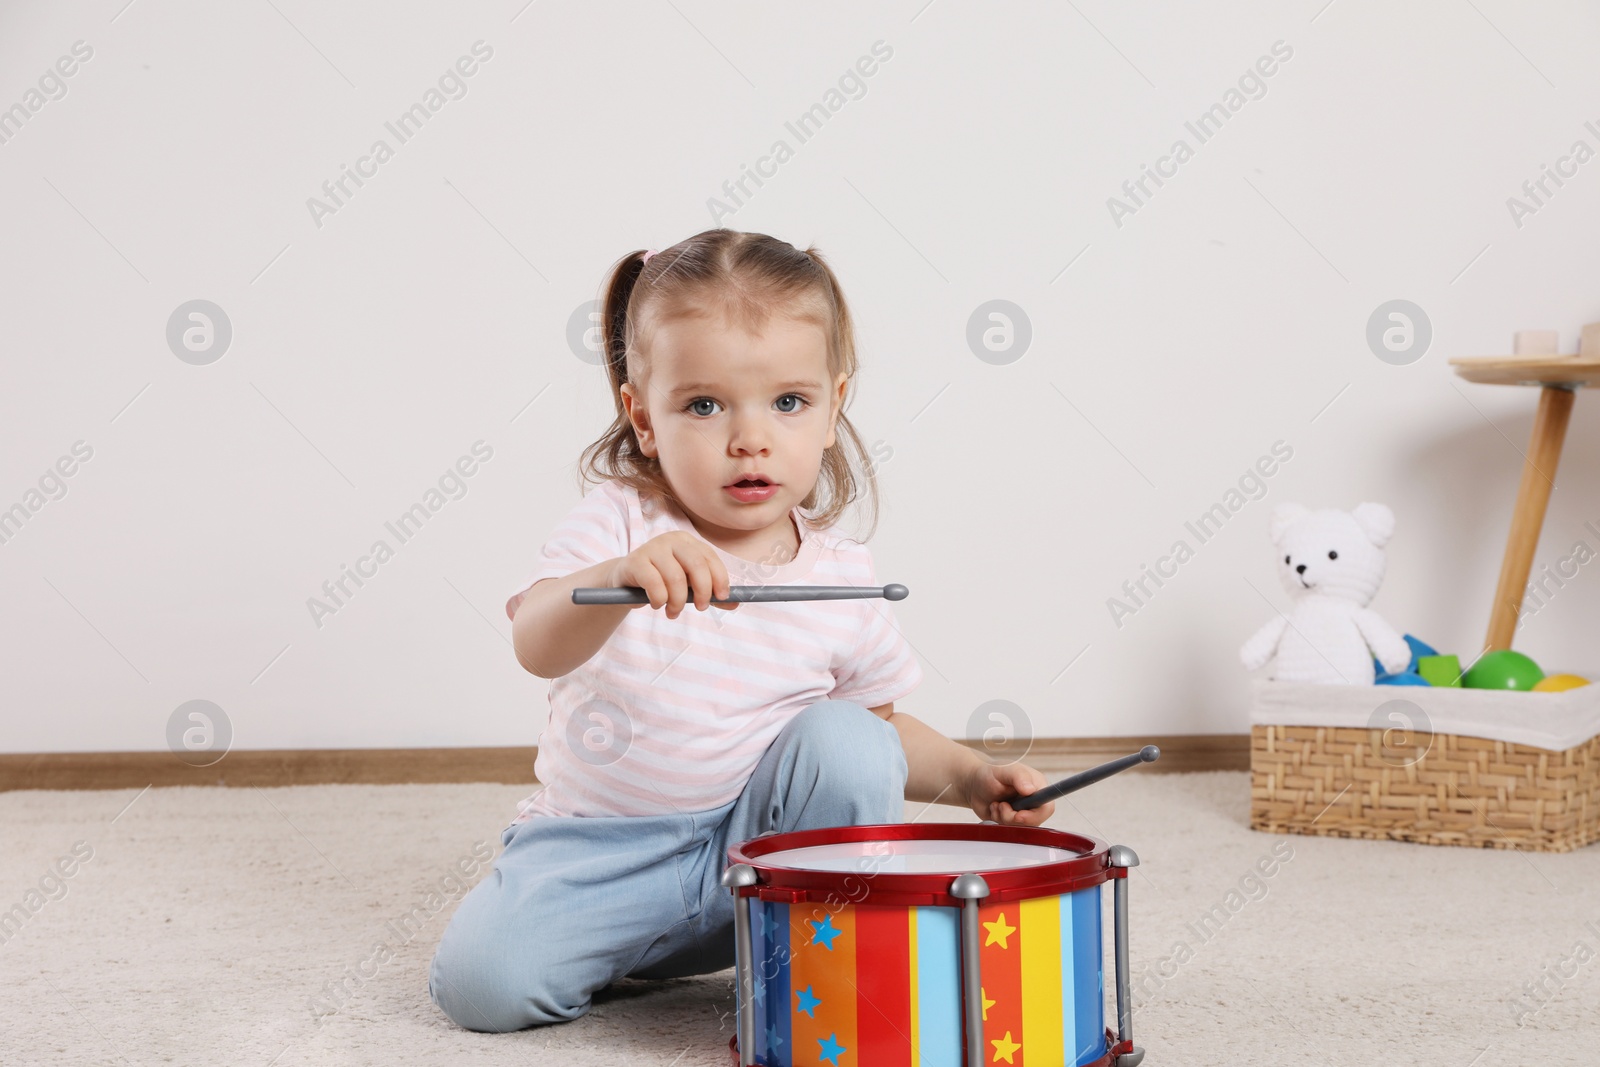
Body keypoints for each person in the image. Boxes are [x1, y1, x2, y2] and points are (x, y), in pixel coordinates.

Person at [428, 228, 1056, 1033]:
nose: (749, 437)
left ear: (833, 408)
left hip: (762, 859)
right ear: (643, 417)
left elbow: (882, 732)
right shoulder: (621, 524)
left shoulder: (839, 572)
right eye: (703, 404)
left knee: (849, 739)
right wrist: (614, 580)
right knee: (482, 989)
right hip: (602, 856)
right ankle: (626, 944)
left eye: (788, 402)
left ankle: (810, 955)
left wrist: (972, 775)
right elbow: (535, 643)